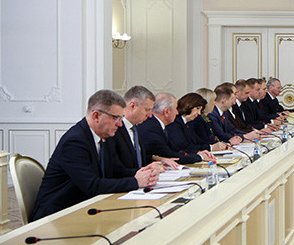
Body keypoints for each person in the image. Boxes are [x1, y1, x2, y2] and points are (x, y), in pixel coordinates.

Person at [31, 90, 161, 220]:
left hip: (86, 207)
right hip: (58, 215)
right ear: (96, 116)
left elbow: (116, 171)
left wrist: (144, 172)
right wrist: (135, 182)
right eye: (115, 118)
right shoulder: (75, 141)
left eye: (121, 118)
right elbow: (92, 186)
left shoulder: (104, 137)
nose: (120, 124)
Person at [139, 93, 215, 164]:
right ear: (166, 112)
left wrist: (196, 153)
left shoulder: (156, 125)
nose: (177, 112)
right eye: (175, 109)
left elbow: (176, 149)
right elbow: (170, 155)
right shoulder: (153, 128)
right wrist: (200, 157)